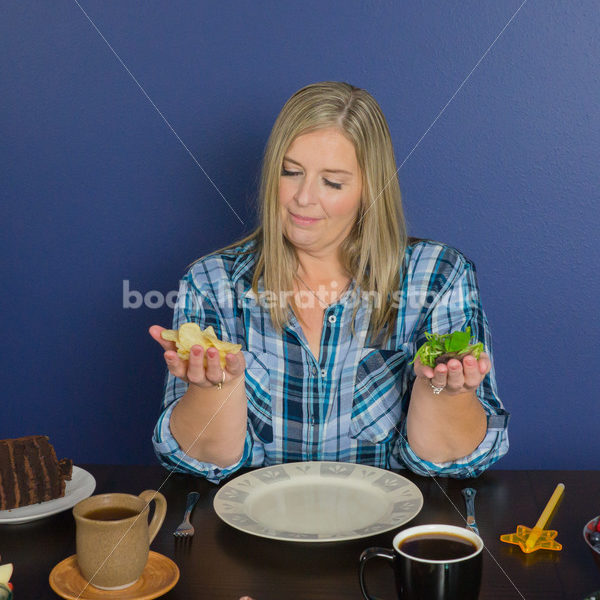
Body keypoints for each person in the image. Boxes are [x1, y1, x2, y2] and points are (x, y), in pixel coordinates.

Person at [149, 81, 509, 484]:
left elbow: (452, 458)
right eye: (291, 172)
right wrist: (213, 389)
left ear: (370, 189)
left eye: (332, 182)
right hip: (255, 532)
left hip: (387, 536)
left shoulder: (438, 276)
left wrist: (446, 392)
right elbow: (199, 460)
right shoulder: (210, 283)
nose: (303, 197)